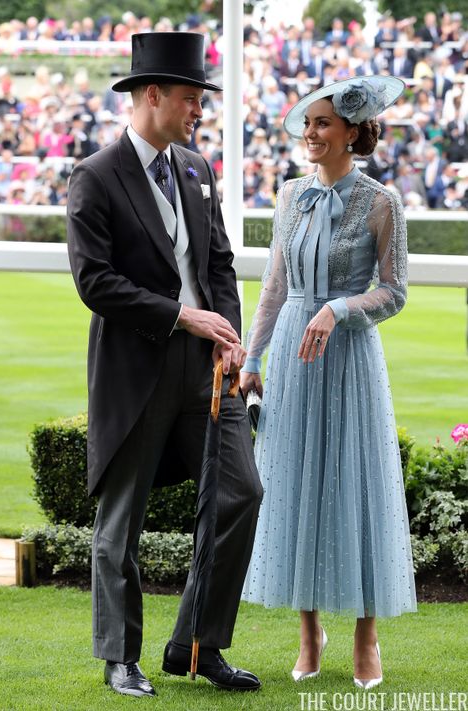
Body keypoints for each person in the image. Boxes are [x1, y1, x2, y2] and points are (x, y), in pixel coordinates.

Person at [67, 32, 263, 698]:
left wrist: (228, 335)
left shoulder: (197, 170)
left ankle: (197, 643)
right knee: (121, 520)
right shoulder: (94, 175)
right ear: (152, 96)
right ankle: (120, 655)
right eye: (190, 98)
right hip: (136, 369)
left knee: (242, 491)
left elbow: (218, 264)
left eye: (201, 100)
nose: (199, 110)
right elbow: (94, 281)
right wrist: (182, 315)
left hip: (206, 369)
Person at [241, 76, 417, 688]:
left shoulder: (381, 202)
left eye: (321, 125)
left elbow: (393, 293)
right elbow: (272, 289)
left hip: (348, 357)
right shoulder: (289, 196)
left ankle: (367, 634)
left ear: (352, 132)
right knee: (294, 485)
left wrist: (338, 308)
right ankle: (308, 632)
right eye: (307, 124)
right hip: (291, 353)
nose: (309, 134)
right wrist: (253, 360)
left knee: (356, 483)